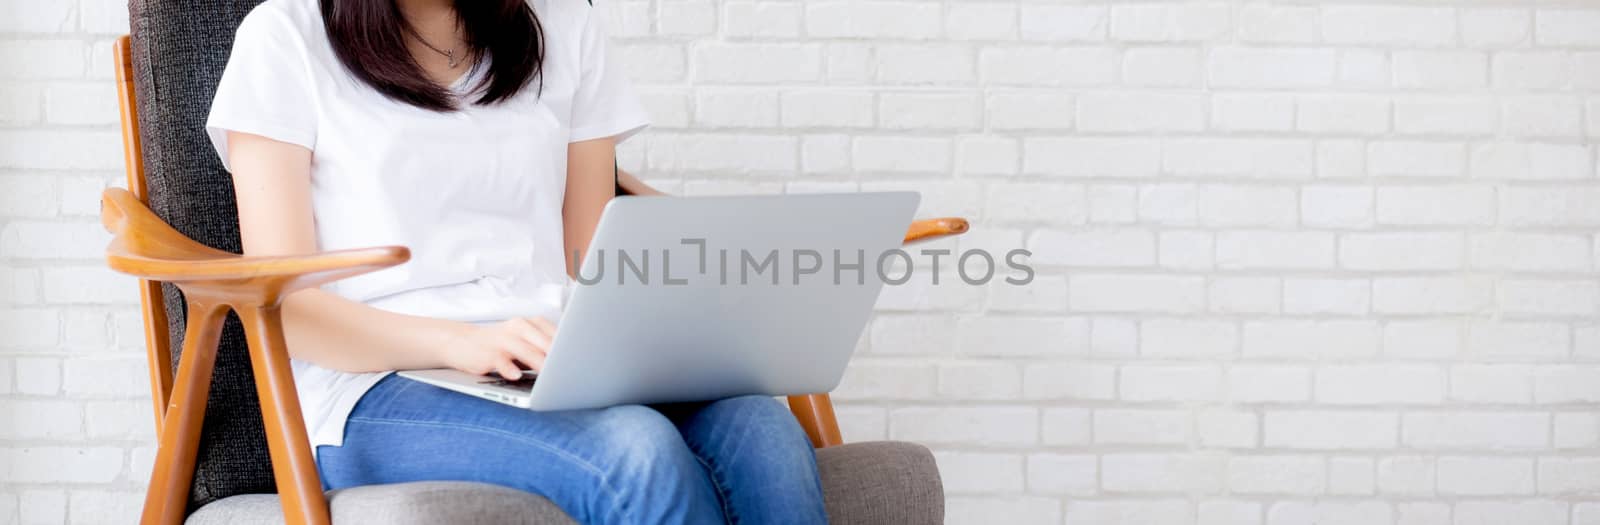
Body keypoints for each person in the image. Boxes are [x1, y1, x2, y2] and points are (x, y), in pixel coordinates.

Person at [205, 0, 827, 522]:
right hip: (373, 383)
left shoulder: (563, 26)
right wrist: (461, 343)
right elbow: (289, 309)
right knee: (634, 452)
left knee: (761, 431)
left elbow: (590, 262)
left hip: (551, 358)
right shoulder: (284, 36)